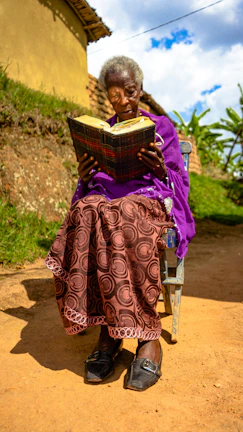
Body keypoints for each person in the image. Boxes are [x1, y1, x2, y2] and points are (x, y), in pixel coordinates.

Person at [45, 56, 195, 391]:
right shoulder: (105, 129)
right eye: (115, 96)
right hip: (108, 198)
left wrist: (159, 169)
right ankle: (108, 332)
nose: (123, 101)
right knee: (86, 211)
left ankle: (146, 336)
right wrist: (85, 176)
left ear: (139, 89)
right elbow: (89, 183)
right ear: (108, 97)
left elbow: (177, 181)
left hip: (148, 201)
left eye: (129, 92)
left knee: (122, 214)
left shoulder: (162, 127)